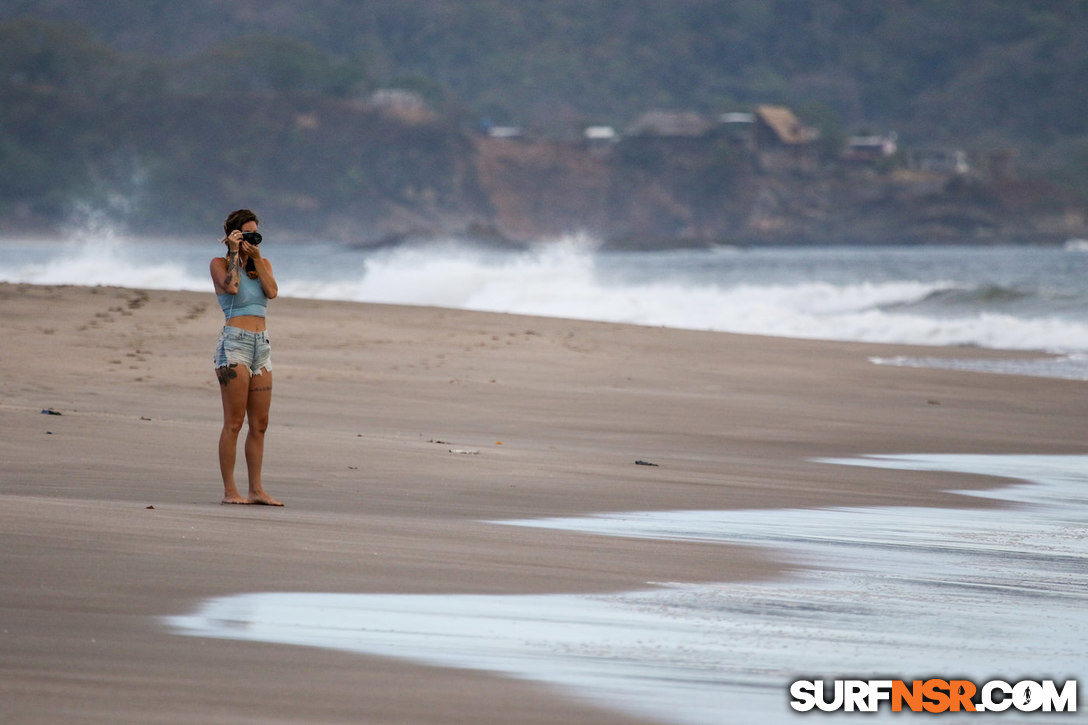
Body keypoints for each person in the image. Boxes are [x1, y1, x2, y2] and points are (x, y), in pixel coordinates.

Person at [210, 209, 283, 505]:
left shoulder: (262, 263)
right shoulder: (218, 263)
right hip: (234, 344)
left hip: (261, 346)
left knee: (260, 423)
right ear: (232, 234)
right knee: (234, 421)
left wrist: (255, 257)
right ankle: (230, 491)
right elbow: (232, 287)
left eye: (255, 233)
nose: (251, 238)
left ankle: (256, 489)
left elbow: (273, 292)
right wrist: (233, 253)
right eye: (245, 234)